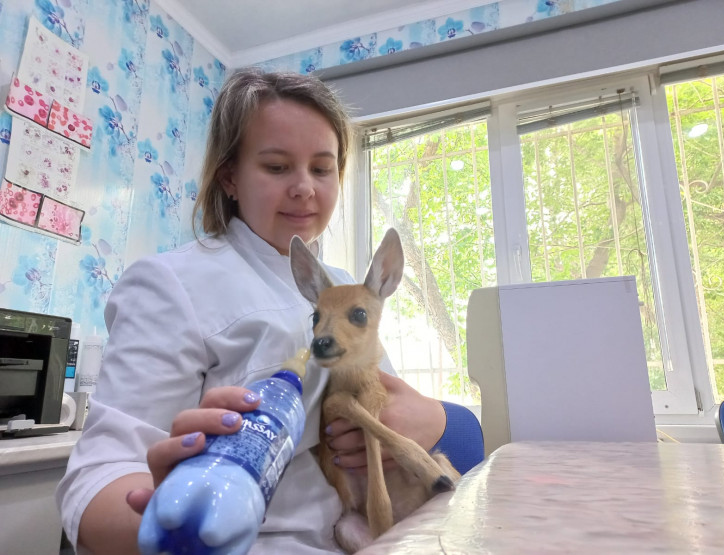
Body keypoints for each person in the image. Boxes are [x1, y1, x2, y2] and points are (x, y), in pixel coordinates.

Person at [56, 68, 483, 554]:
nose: (304, 187)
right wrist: (177, 522)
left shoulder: (346, 286)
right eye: (277, 167)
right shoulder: (172, 283)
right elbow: (95, 483)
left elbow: (392, 403)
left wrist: (436, 419)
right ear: (230, 178)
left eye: (321, 169)